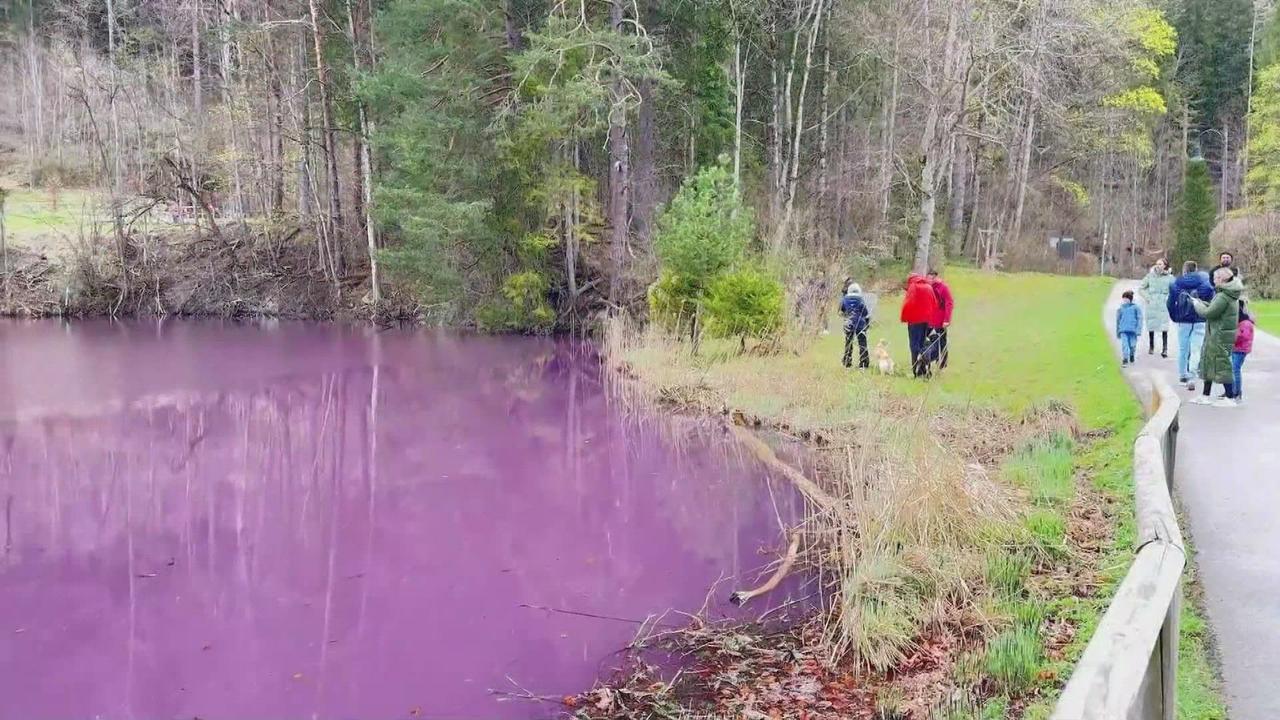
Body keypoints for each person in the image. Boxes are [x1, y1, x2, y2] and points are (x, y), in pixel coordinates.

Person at [1189, 268, 1244, 406]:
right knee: (1209, 363)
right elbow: (1214, 308)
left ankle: (1230, 397)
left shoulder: (1223, 296)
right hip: (1215, 335)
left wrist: (1196, 305)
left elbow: (1209, 313)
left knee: (1222, 365)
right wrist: (1201, 302)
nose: (1213, 280)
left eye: (1215, 277)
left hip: (1220, 336)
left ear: (1223, 279)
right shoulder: (1225, 294)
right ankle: (1205, 395)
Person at [1167, 260, 1215, 389]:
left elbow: (1170, 303)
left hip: (1183, 319)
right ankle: (1192, 376)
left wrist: (1174, 316)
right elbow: (1211, 301)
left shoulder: (1176, 283)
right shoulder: (1206, 284)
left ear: (1185, 270)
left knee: (1183, 349)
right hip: (1200, 319)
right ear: (1196, 269)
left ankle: (1182, 375)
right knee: (1196, 349)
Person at [901, 273, 940, 378]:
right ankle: (925, 369)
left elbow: (909, 303)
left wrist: (904, 317)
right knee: (922, 343)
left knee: (914, 346)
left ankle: (917, 371)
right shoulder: (928, 287)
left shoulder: (913, 287)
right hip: (926, 321)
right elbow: (934, 304)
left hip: (914, 321)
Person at [1139, 259, 1173, 357]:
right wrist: (1148, 298)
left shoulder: (1170, 277)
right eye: (1157, 264)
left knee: (1164, 326)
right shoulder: (1150, 276)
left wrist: (1168, 299)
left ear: (1165, 265)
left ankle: (1165, 348)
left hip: (1163, 303)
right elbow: (1141, 288)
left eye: (1160, 264)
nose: (1158, 266)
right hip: (1152, 303)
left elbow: (1174, 289)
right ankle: (1151, 346)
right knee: (1151, 324)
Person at [926, 270, 954, 369]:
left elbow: (949, 303)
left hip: (940, 320)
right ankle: (927, 359)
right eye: (928, 278)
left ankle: (942, 362)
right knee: (926, 340)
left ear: (936, 277)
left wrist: (946, 319)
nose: (930, 280)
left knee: (942, 341)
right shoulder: (926, 286)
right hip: (928, 319)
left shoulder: (943, 287)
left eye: (932, 278)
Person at [840, 283, 872, 369]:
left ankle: (847, 362)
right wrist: (867, 323)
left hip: (849, 323)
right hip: (860, 324)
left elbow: (841, 310)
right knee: (862, 343)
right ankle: (864, 363)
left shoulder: (844, 299)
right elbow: (865, 312)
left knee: (848, 343)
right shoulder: (861, 299)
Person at [1232, 300, 1255, 403]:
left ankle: (1237, 392)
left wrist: (1234, 337)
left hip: (1240, 349)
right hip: (1237, 348)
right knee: (1233, 369)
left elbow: (1243, 336)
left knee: (1235, 369)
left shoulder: (1245, 323)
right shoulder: (1242, 322)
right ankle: (1234, 390)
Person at [1116, 291, 1143, 367]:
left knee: (1132, 345)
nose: (1124, 300)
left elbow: (1139, 319)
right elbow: (1118, 321)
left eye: (1126, 298)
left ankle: (1132, 355)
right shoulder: (1120, 309)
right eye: (1123, 298)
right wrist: (1118, 332)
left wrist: (1138, 330)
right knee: (1124, 345)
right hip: (1123, 330)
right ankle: (1125, 359)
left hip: (1133, 330)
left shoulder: (1136, 308)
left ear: (1130, 299)